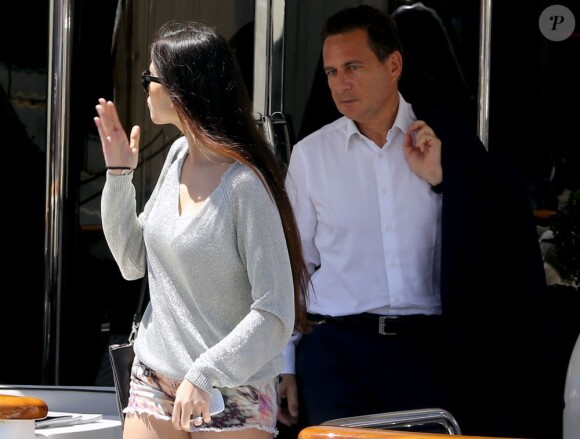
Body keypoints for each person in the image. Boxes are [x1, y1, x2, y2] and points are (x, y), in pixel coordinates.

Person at [279, 5, 560, 439]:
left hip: (429, 351)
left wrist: (444, 183)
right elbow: (294, 268)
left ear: (393, 65)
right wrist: (285, 365)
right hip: (337, 352)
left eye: (353, 66)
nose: (341, 83)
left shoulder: (445, 143)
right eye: (332, 71)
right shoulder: (310, 155)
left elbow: (500, 239)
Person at [94, 20, 310, 439]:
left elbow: (275, 312)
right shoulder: (177, 155)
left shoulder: (246, 186)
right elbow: (131, 263)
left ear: (181, 87)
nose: (145, 87)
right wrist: (119, 175)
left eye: (149, 78)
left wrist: (206, 372)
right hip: (154, 378)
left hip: (234, 388)